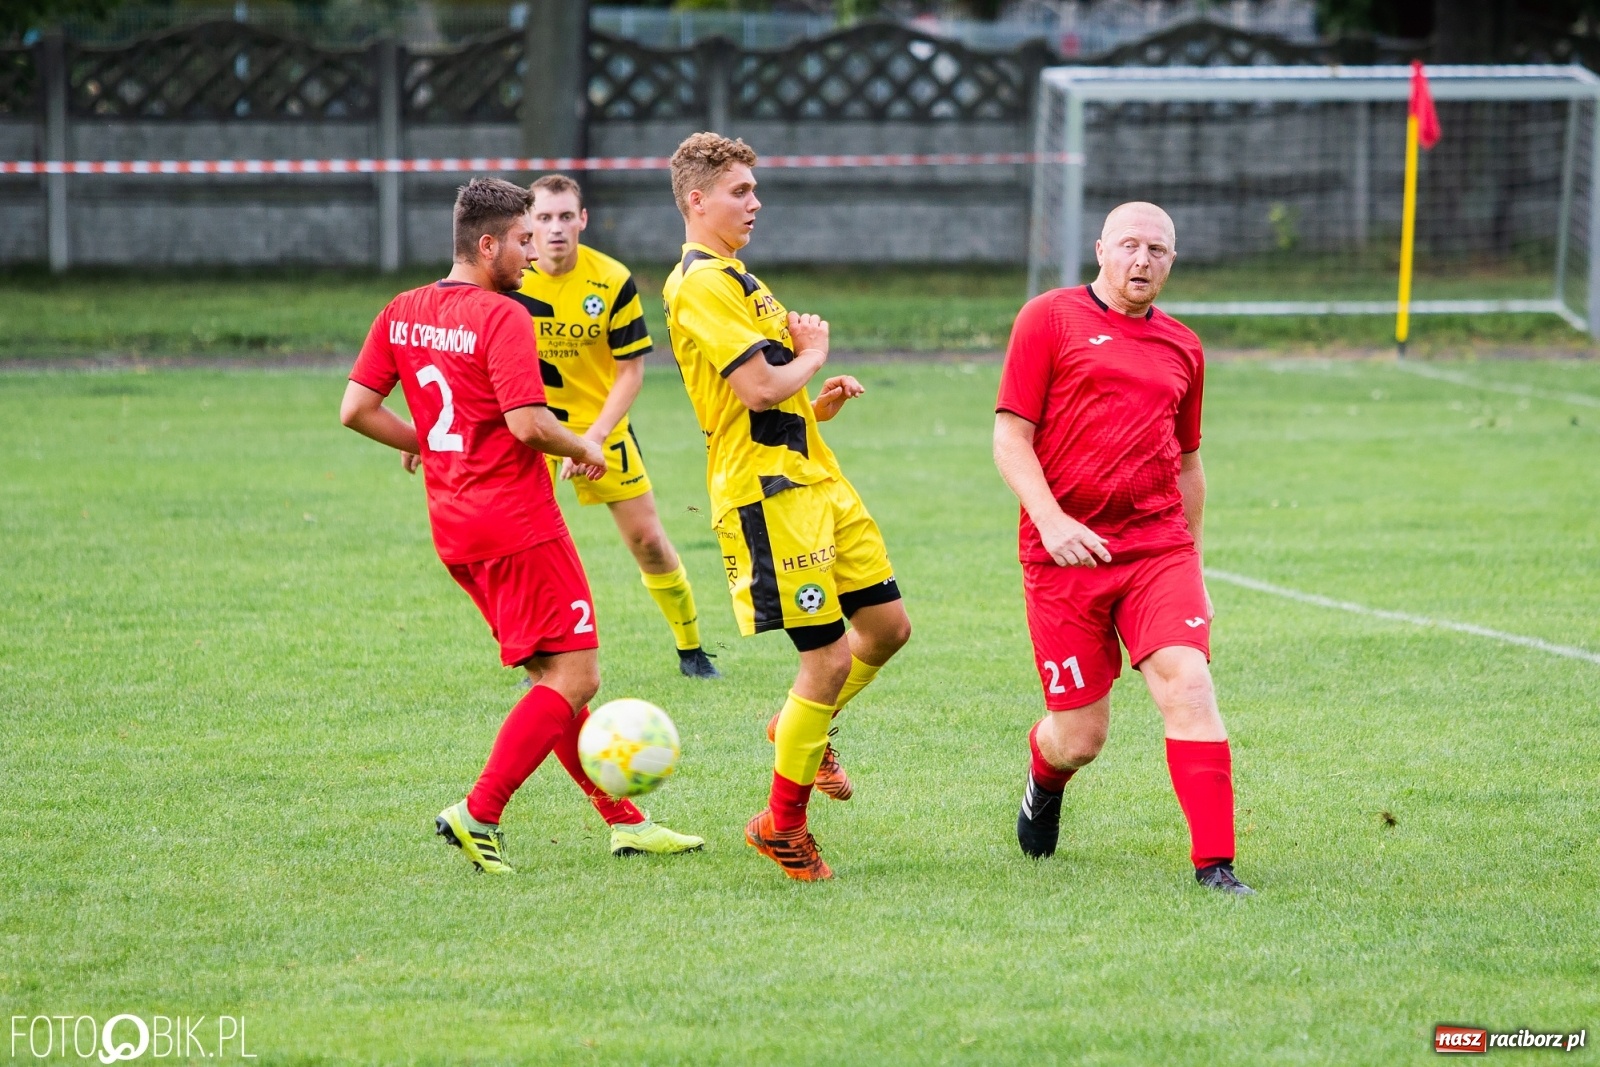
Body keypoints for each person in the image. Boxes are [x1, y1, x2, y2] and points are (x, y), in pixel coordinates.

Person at [339, 176, 703, 875]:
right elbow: (529, 424)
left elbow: (355, 409)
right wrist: (586, 445)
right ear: (487, 244)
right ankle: (478, 811)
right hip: (517, 521)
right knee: (577, 673)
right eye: (523, 239)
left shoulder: (403, 309)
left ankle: (625, 820)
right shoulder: (502, 315)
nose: (534, 252)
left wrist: (424, 440)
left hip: (456, 526)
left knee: (557, 677)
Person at [662, 133, 912, 882]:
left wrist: (818, 397)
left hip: (816, 480)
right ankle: (783, 826)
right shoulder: (700, 283)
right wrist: (811, 358)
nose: (755, 202)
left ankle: (799, 724)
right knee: (828, 657)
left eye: (754, 188)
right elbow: (758, 389)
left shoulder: (742, 280)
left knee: (886, 628)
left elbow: (780, 397)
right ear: (696, 201)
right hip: (767, 499)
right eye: (740, 191)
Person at [992, 201, 1253, 896]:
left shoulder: (1184, 347)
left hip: (1157, 546)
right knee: (1081, 737)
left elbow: (1190, 463)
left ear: (1172, 261)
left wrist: (1192, 567)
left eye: (1158, 250)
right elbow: (1010, 436)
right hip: (1064, 554)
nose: (1143, 261)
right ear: (1102, 249)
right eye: (1131, 246)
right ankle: (1044, 779)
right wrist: (1050, 521)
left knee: (1190, 685)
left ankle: (1215, 867)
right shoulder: (1048, 317)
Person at [509, 174, 720, 680]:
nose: (555, 228)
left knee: (647, 540)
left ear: (582, 220)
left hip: (599, 430)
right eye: (544, 217)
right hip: (526, 427)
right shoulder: (512, 278)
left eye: (565, 216)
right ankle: (536, 654)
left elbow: (631, 371)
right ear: (529, 224)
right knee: (524, 546)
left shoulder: (611, 279)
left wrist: (593, 440)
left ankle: (691, 650)